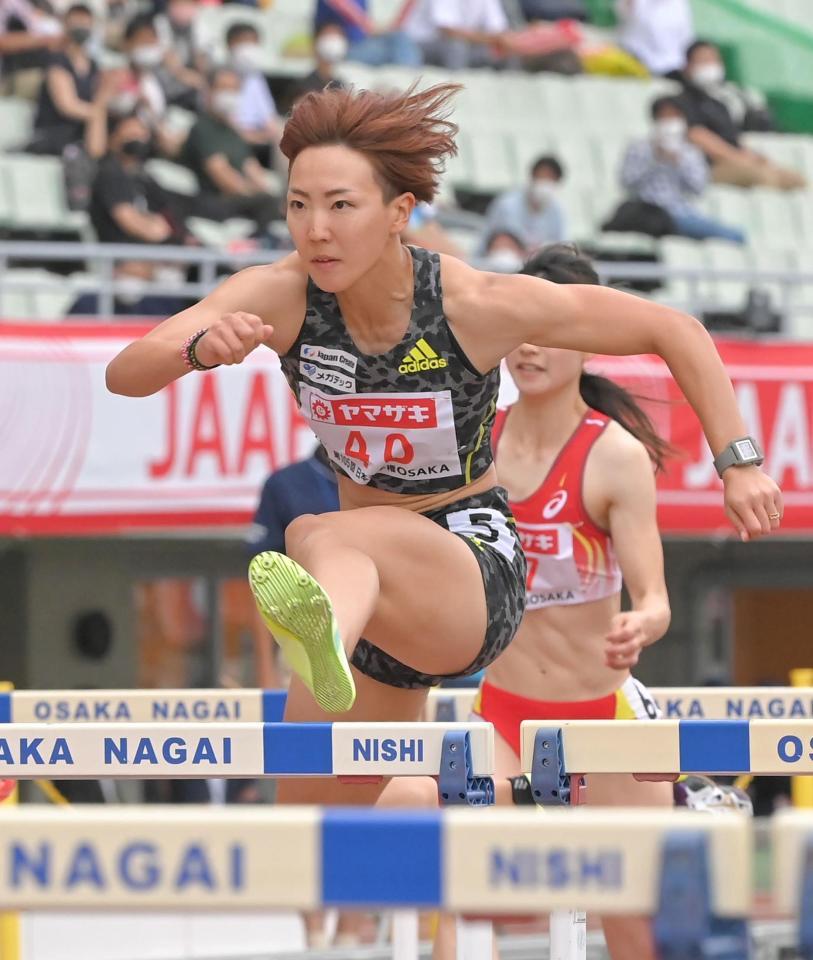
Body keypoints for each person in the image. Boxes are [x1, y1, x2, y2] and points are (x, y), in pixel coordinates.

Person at [105, 83, 783, 819]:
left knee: (312, 532)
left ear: (399, 212)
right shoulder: (278, 296)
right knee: (308, 823)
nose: (315, 230)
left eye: (340, 205)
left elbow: (672, 327)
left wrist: (737, 461)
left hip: (468, 568)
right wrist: (200, 349)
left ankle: (322, 628)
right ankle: (350, 921)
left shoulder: (470, 304)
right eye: (298, 205)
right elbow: (126, 372)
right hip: (376, 608)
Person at [429, 244, 676, 960]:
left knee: (631, 924)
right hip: (503, 711)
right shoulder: (478, 445)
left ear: (587, 339)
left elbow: (655, 596)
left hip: (602, 716)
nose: (528, 346)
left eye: (550, 329)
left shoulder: (614, 456)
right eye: (519, 326)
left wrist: (643, 622)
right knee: (463, 895)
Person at [69, 112, 193, 317]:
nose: (136, 139)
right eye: (130, 134)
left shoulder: (144, 177)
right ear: (114, 138)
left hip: (153, 262)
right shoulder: (109, 173)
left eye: (141, 134)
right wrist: (156, 232)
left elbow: (169, 218)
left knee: (179, 280)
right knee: (133, 289)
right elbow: (135, 223)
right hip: (117, 263)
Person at [245, 447, 339, 689]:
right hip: (303, 645)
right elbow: (263, 587)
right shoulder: (286, 484)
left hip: (384, 643)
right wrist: (267, 674)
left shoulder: (387, 481)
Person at [615, 95, 746, 243]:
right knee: (733, 236)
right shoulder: (639, 148)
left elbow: (698, 188)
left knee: (736, 235)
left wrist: (679, 162)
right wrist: (653, 160)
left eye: (675, 116)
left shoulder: (690, 152)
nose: (670, 121)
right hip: (649, 213)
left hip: (681, 213)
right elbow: (627, 183)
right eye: (664, 116)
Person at [676, 40, 805, 191]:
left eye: (714, 60)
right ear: (687, 66)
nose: (710, 65)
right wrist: (737, 157)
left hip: (735, 160)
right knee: (762, 177)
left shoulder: (720, 103)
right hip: (709, 166)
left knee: (796, 179)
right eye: (704, 60)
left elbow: (732, 139)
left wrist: (754, 157)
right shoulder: (683, 100)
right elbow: (696, 135)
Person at [179, 66, 281, 234]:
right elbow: (223, 177)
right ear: (209, 92)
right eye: (223, 88)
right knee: (268, 204)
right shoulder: (202, 128)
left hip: (236, 201)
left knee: (284, 205)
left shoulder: (233, 131)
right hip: (211, 202)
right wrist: (255, 194)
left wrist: (270, 193)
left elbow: (252, 168)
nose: (229, 95)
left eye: (234, 89)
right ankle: (250, 248)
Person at [27, 3, 108, 157]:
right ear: (65, 24)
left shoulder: (94, 66)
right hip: (52, 134)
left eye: (86, 23)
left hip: (79, 136)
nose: (82, 27)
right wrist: (98, 111)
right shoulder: (57, 61)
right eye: (77, 22)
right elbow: (68, 106)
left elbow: (98, 104)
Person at [480, 155, 566, 253]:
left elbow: (560, 246)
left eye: (551, 180)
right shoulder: (507, 205)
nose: (546, 184)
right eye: (543, 177)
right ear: (532, 177)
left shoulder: (557, 211)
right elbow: (497, 244)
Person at [225, 22, 281, 156]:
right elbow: (223, 119)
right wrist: (252, 136)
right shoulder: (221, 76)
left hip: (258, 133)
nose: (248, 48)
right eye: (243, 42)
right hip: (231, 134)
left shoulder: (255, 77)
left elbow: (269, 118)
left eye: (252, 42)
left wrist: (270, 134)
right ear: (230, 44)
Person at [314, 0, 420, 68]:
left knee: (399, 39)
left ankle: (408, 70)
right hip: (348, 50)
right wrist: (368, 26)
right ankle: (408, 72)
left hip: (364, 43)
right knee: (399, 44)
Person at [291, 22, 350, 103]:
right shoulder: (303, 86)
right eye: (328, 36)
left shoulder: (341, 85)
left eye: (337, 36)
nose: (333, 42)